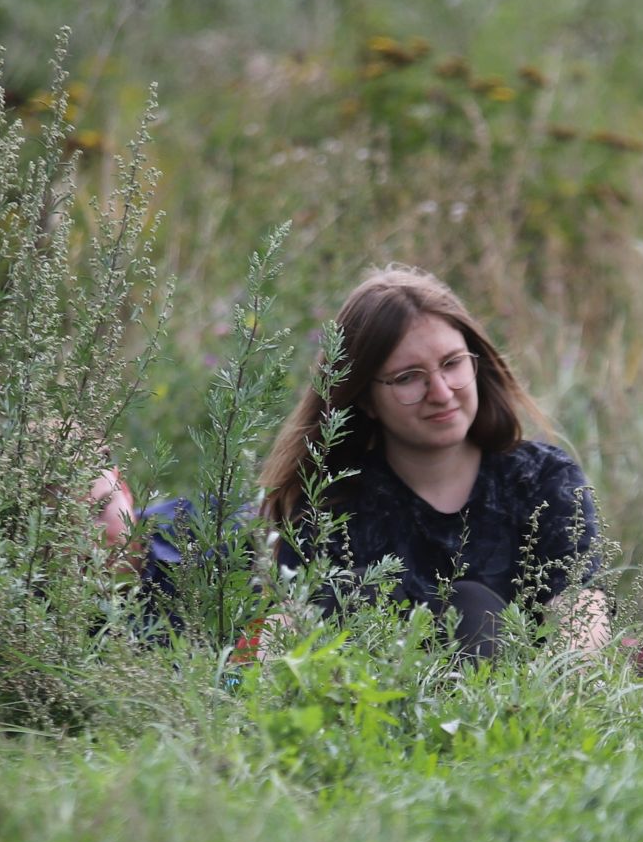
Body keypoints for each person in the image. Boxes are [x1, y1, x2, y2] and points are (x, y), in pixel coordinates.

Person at [259, 264, 609, 658]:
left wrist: (553, 689)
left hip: (512, 706)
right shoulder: (329, 501)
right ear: (365, 399)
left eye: (452, 363)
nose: (441, 393)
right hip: (369, 704)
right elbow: (286, 632)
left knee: (473, 607)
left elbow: (582, 610)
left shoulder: (541, 479)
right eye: (408, 377)